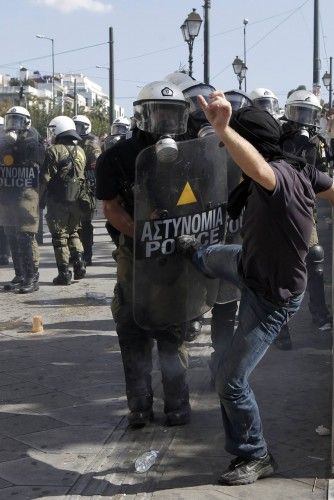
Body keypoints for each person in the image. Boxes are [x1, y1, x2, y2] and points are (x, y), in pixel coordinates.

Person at [177, 91, 334, 485]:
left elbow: (259, 169)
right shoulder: (302, 169)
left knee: (229, 380)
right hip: (249, 265)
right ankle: (196, 254)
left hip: (270, 298)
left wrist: (225, 129)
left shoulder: (276, 177)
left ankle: (255, 455)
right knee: (213, 256)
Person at [96, 81, 192, 429]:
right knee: (132, 322)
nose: (166, 119)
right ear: (141, 114)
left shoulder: (188, 152)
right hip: (134, 251)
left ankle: (177, 404)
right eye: (159, 111)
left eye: (172, 112)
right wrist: (142, 231)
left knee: (173, 327)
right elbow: (110, 208)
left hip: (176, 249)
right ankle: (139, 406)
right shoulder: (116, 156)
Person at [280, 90, 332, 335]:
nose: (302, 119)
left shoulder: (317, 143)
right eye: (298, 112)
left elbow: (324, 178)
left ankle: (320, 314)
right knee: (281, 265)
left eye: (307, 113)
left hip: (306, 208)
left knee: (314, 257)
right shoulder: (278, 139)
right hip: (278, 210)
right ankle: (281, 327)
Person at [0, 106, 44, 293]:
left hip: (26, 193)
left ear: (27, 122)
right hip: (8, 193)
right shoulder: (5, 139)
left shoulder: (33, 138)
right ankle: (20, 274)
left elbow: (37, 157)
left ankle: (32, 277)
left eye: (17, 120)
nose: (13, 124)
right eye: (10, 120)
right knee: (11, 234)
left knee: (25, 235)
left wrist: (16, 143)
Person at [39, 116, 87, 285]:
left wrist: (39, 198)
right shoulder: (80, 150)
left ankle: (64, 273)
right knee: (73, 232)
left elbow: (45, 178)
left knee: (59, 236)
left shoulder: (54, 151)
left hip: (58, 200)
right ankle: (79, 262)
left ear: (59, 130)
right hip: (77, 200)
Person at [73, 114, 101, 266]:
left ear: (86, 127)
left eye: (78, 126)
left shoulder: (91, 143)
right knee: (74, 222)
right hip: (75, 185)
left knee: (85, 222)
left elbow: (97, 162)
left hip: (87, 187)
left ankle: (87, 254)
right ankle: (77, 253)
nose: (75, 129)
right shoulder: (74, 140)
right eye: (74, 125)